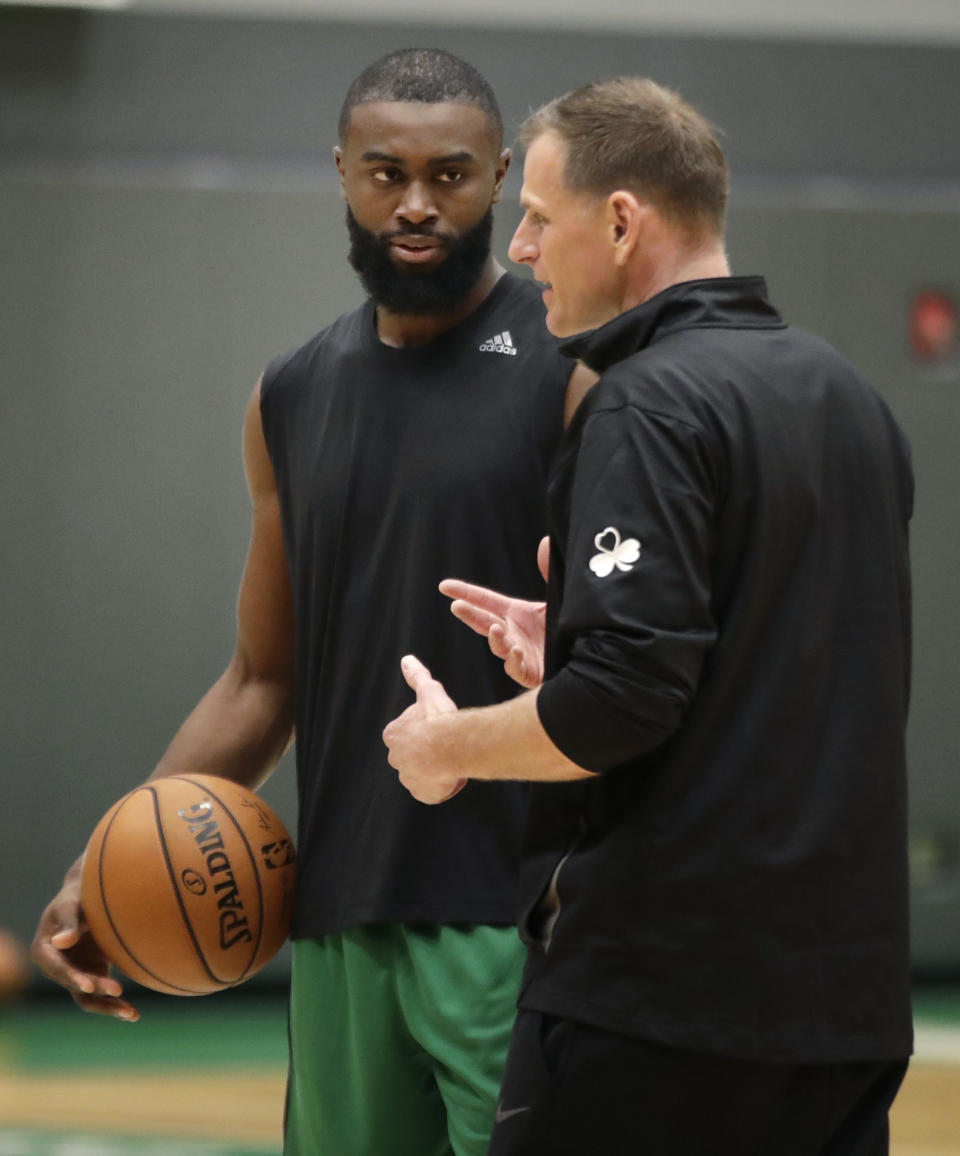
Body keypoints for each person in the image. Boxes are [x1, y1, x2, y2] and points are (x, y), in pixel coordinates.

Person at [30, 49, 594, 1156]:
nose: (418, 204)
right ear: (341, 171)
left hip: (519, 913)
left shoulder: (573, 366)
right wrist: (101, 870)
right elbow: (262, 678)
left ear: (501, 178)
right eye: (385, 173)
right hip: (341, 919)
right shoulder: (291, 393)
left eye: (452, 173)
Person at [383, 76, 914, 1155]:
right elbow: (764, 662)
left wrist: (452, 748)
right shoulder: (851, 399)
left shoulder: (645, 399)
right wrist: (572, 635)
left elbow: (622, 703)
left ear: (621, 222)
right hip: (844, 1015)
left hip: (657, 1013)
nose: (520, 249)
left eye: (536, 213)